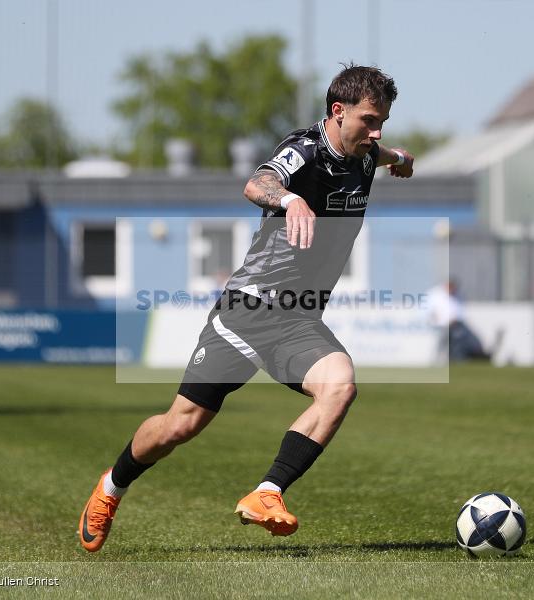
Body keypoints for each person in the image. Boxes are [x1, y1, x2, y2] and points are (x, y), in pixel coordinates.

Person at [78, 64, 415, 552]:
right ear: (337, 112)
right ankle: (112, 486)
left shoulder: (364, 151)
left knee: (340, 386)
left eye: (382, 120)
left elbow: (383, 153)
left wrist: (400, 158)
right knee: (182, 424)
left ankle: (266, 493)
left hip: (298, 318)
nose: (376, 130)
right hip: (249, 311)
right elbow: (258, 183)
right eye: (368, 119)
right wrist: (289, 200)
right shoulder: (303, 150)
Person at [425, 278, 492, 362]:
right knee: (441, 344)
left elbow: (459, 311)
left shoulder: (458, 295)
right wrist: (440, 321)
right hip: (443, 326)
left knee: (458, 344)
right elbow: (431, 312)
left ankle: (454, 360)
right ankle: (435, 362)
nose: (452, 290)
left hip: (456, 325)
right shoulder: (436, 295)